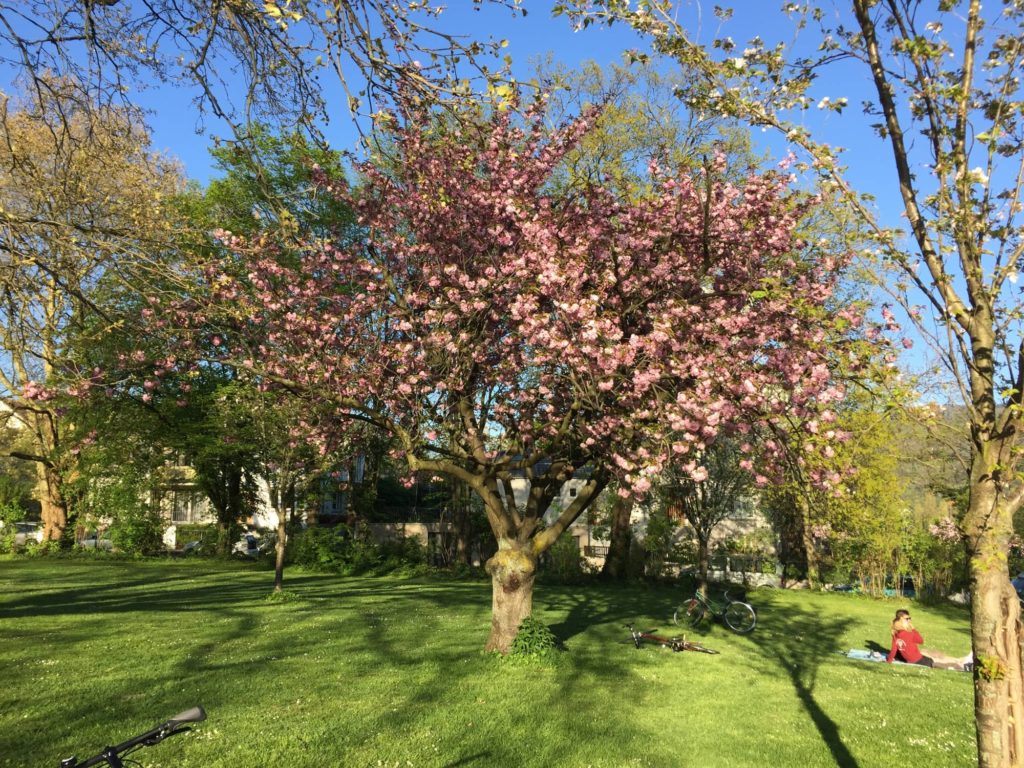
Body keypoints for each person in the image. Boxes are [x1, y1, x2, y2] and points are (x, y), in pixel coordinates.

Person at [887, 609, 973, 671]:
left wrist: (889, 660)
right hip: (917, 660)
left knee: (931, 653)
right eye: (907, 619)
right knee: (937, 661)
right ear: (901, 619)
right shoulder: (909, 632)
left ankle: (960, 660)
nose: (910, 620)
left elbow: (894, 649)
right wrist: (913, 629)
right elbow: (920, 641)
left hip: (915, 658)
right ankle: (961, 666)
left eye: (910, 618)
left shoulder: (895, 633)